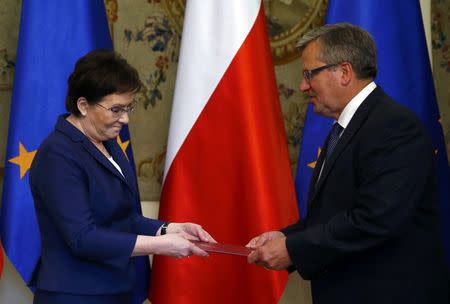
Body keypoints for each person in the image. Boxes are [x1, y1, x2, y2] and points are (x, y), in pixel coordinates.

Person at [247, 23, 449, 303]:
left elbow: (375, 219)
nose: (303, 86)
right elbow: (335, 214)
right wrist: (283, 237)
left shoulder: (395, 127)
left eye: (309, 74)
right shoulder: (347, 127)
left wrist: (293, 248)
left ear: (344, 72)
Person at [29, 49, 215, 304]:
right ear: (83, 105)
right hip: (76, 294)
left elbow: (121, 217)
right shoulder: (57, 154)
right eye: (116, 109)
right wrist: (161, 246)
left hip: (116, 289)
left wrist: (169, 229)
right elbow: (82, 238)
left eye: (128, 108)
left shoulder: (108, 142)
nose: (125, 119)